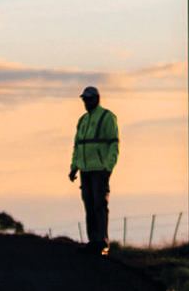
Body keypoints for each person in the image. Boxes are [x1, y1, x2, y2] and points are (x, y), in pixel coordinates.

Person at [66, 85, 119, 254]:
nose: (86, 102)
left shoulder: (107, 117)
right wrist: (74, 167)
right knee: (89, 205)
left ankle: (102, 242)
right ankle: (93, 241)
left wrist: (108, 167)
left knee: (99, 205)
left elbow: (114, 144)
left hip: (99, 170)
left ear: (97, 98)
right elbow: (77, 146)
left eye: (89, 99)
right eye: (84, 99)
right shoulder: (82, 120)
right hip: (85, 170)